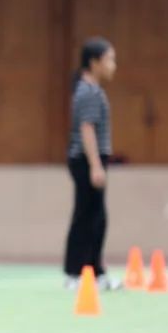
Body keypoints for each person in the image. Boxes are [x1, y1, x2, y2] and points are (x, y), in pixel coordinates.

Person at [64, 37, 119, 291]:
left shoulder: (93, 90)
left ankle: (95, 271)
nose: (113, 65)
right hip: (86, 159)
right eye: (109, 59)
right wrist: (95, 165)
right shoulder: (87, 91)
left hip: (94, 158)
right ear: (94, 62)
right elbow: (87, 129)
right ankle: (74, 273)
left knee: (98, 217)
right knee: (86, 216)